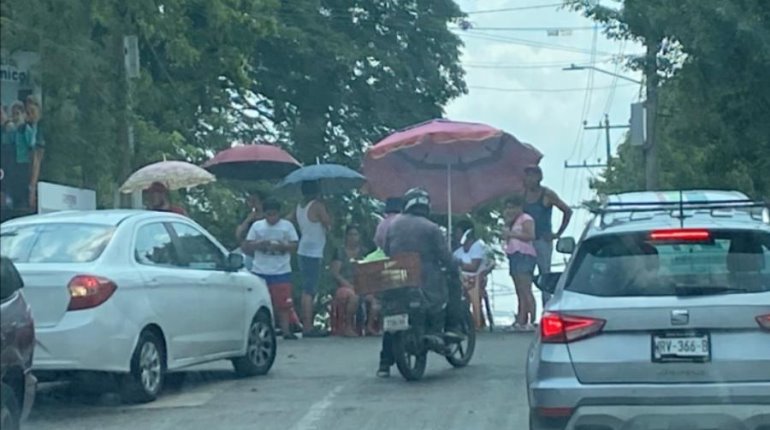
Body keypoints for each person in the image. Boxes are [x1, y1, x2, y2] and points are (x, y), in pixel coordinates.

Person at [378, 188, 459, 377]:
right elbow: (445, 257)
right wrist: (454, 267)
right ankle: (444, 329)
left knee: (393, 320)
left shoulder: (392, 226)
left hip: (398, 277)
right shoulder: (431, 228)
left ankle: (384, 363)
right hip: (426, 278)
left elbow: (388, 250)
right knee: (447, 290)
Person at [242, 198, 300, 340]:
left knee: (283, 304)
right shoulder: (257, 226)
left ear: (279, 213)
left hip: (281, 270)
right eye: (269, 214)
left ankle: (286, 331)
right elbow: (247, 245)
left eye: (274, 214)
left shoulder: (287, 226)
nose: (271, 218)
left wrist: (282, 246)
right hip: (260, 270)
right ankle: (261, 331)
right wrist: (260, 244)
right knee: (258, 303)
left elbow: (295, 245)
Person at [522, 165, 573, 306]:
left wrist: (557, 233)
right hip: (526, 242)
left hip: (542, 241)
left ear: (539, 177)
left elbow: (567, 211)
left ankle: (547, 308)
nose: (528, 179)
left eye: (531, 176)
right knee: (525, 277)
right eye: (527, 176)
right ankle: (527, 312)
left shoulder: (547, 194)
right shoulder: (522, 195)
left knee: (545, 276)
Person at [291, 180, 331, 337]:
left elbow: (290, 219)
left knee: (307, 287)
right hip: (313, 251)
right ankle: (307, 326)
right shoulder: (317, 205)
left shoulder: (300, 206)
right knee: (309, 289)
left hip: (304, 248)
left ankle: (306, 323)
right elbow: (328, 223)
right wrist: (327, 208)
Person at [503, 196, 538, 331]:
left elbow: (530, 236)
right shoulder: (510, 222)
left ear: (519, 207)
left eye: (512, 207)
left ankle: (533, 319)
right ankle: (521, 319)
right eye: (507, 207)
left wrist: (512, 234)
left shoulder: (526, 219)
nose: (509, 210)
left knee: (525, 289)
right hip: (513, 255)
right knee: (519, 290)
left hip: (524, 254)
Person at [453, 219, 492, 330]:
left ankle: (476, 321)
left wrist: (459, 264)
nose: (456, 235)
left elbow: (473, 267)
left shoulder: (478, 246)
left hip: (476, 280)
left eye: (458, 232)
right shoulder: (459, 251)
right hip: (462, 280)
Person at [329, 225, 365, 337]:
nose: (353, 237)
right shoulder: (340, 251)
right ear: (346, 236)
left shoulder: (364, 252)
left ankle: (369, 327)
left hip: (363, 284)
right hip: (344, 286)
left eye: (356, 234)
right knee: (353, 296)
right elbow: (335, 273)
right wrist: (348, 285)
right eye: (351, 234)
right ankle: (348, 326)